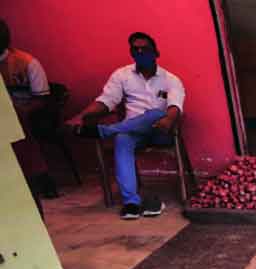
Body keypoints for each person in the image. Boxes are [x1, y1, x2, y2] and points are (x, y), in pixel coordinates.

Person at [67, 31, 183, 219]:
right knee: (122, 138)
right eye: (135, 50)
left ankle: (104, 131)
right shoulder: (122, 75)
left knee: (154, 113)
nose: (140, 53)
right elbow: (106, 101)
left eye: (144, 49)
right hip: (132, 131)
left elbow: (175, 107)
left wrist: (168, 119)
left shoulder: (171, 79)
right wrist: (82, 116)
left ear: (156, 53)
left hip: (160, 130)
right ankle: (131, 202)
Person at [0, 18, 59, 205]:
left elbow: (41, 99)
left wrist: (20, 111)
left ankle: (37, 177)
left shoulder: (27, 62)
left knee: (15, 120)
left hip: (28, 114)